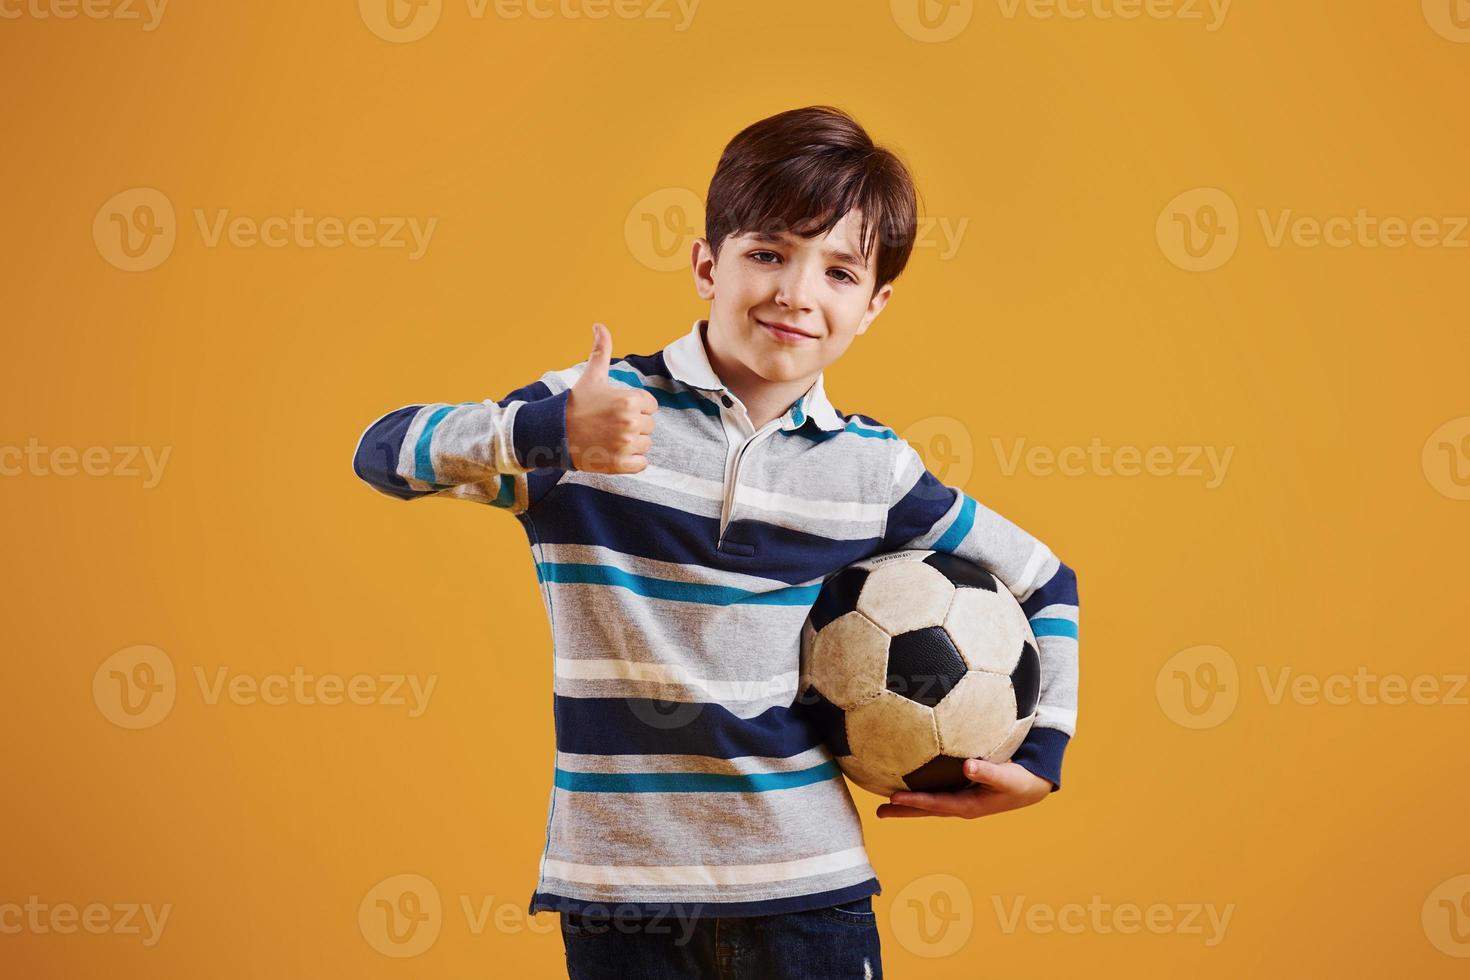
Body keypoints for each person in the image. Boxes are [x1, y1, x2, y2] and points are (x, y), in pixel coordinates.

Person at [352, 105, 1080, 979]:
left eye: (840, 272)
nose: (796, 293)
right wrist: (547, 432)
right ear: (707, 263)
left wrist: (1039, 759)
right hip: (623, 898)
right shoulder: (592, 415)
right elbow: (383, 453)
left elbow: (1047, 580)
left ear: (875, 304)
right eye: (768, 253)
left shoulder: (871, 468)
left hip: (809, 892)